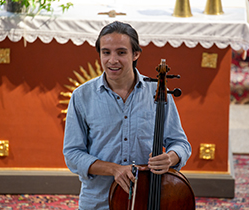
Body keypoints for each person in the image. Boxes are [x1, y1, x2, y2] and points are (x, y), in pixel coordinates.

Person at [63, 21, 192, 210]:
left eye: (121, 52)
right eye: (106, 52)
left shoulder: (158, 92)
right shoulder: (82, 96)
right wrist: (114, 169)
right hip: (99, 201)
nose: (112, 60)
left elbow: (181, 143)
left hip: (149, 199)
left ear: (135, 54)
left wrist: (171, 158)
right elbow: (73, 154)